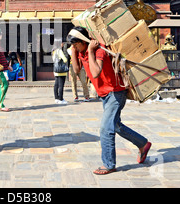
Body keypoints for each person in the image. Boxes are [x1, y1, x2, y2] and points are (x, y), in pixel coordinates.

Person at [67, 26, 151, 175]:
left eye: (75, 44)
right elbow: (76, 69)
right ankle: (143, 144)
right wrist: (74, 52)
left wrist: (91, 51)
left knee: (106, 129)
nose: (73, 47)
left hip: (115, 93)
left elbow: (95, 72)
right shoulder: (81, 52)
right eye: (72, 45)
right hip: (104, 95)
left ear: (84, 41)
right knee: (116, 126)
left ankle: (109, 164)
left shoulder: (99, 50)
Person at [52, 39, 69, 104]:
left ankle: (56, 98)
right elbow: (64, 59)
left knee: (56, 85)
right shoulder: (59, 51)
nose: (63, 44)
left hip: (56, 70)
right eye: (62, 43)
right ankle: (61, 99)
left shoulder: (53, 51)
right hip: (61, 71)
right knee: (61, 85)